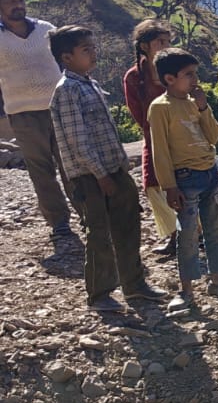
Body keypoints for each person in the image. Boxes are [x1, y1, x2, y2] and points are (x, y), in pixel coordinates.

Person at [47, 25, 166, 313]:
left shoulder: (90, 84)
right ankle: (100, 294)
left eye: (93, 47)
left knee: (128, 224)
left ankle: (134, 285)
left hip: (113, 168)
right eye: (86, 50)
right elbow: (78, 141)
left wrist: (118, 169)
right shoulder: (67, 91)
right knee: (99, 233)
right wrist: (100, 174)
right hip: (91, 176)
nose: (93, 53)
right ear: (66, 57)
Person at [148, 48, 218, 310]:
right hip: (184, 178)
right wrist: (169, 186)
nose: (195, 80)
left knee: (216, 229)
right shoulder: (160, 108)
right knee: (186, 235)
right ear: (169, 79)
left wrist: (203, 108)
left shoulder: (195, 103)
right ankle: (186, 290)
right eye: (188, 75)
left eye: (195, 74)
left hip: (209, 173)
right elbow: (161, 151)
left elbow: (213, 137)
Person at [0, 0, 78, 251]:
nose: (17, 5)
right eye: (10, 1)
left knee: (72, 164)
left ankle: (88, 215)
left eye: (19, 0)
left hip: (59, 107)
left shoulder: (46, 30)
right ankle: (59, 224)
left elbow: (68, 60)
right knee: (41, 170)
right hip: (22, 114)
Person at [121, 20, 181, 259]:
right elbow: (138, 113)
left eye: (168, 41)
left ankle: (196, 233)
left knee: (188, 183)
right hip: (154, 139)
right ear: (145, 46)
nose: (166, 46)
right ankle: (174, 235)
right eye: (160, 42)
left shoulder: (176, 69)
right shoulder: (134, 77)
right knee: (155, 185)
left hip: (182, 138)